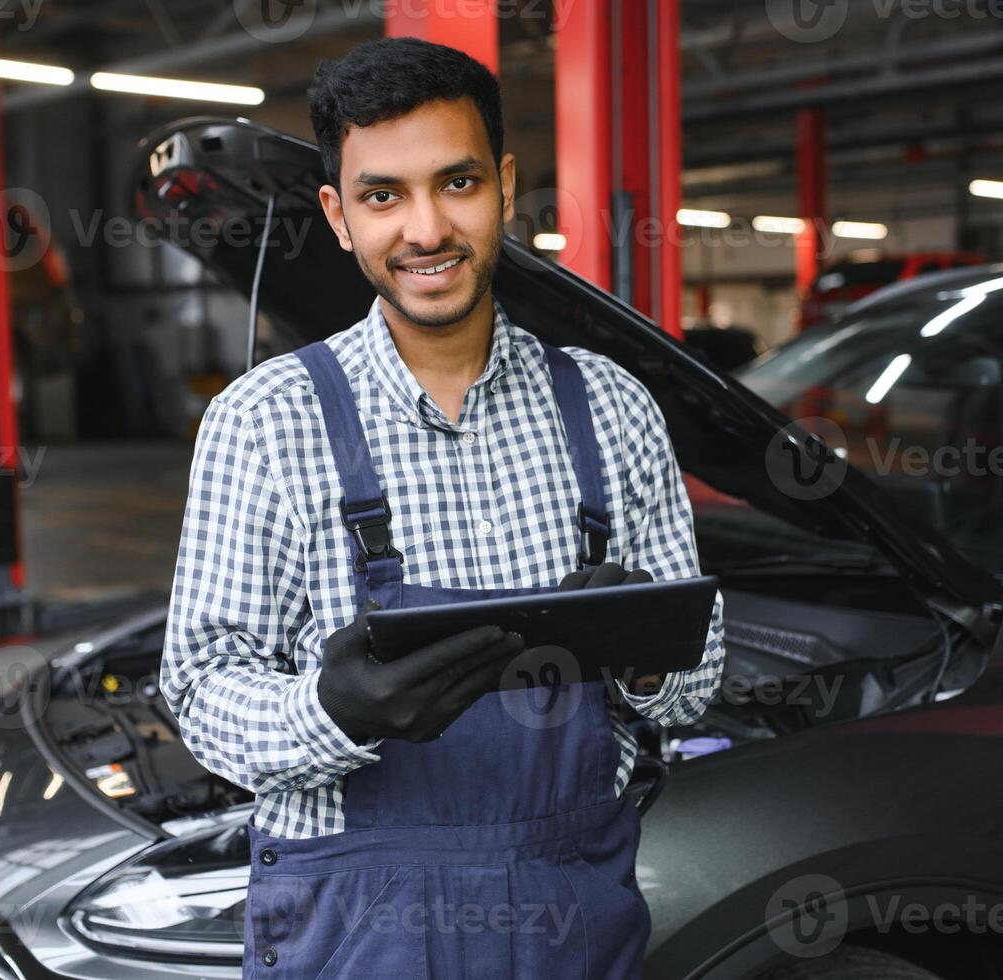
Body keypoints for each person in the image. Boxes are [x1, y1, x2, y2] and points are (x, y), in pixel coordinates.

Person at [160, 36, 726, 979]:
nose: (425, 230)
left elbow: (699, 671)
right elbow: (200, 686)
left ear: (504, 186)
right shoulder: (262, 423)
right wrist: (327, 709)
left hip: (570, 911)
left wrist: (645, 654)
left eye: (456, 183)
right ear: (339, 217)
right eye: (384, 195)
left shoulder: (614, 407)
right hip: (357, 923)